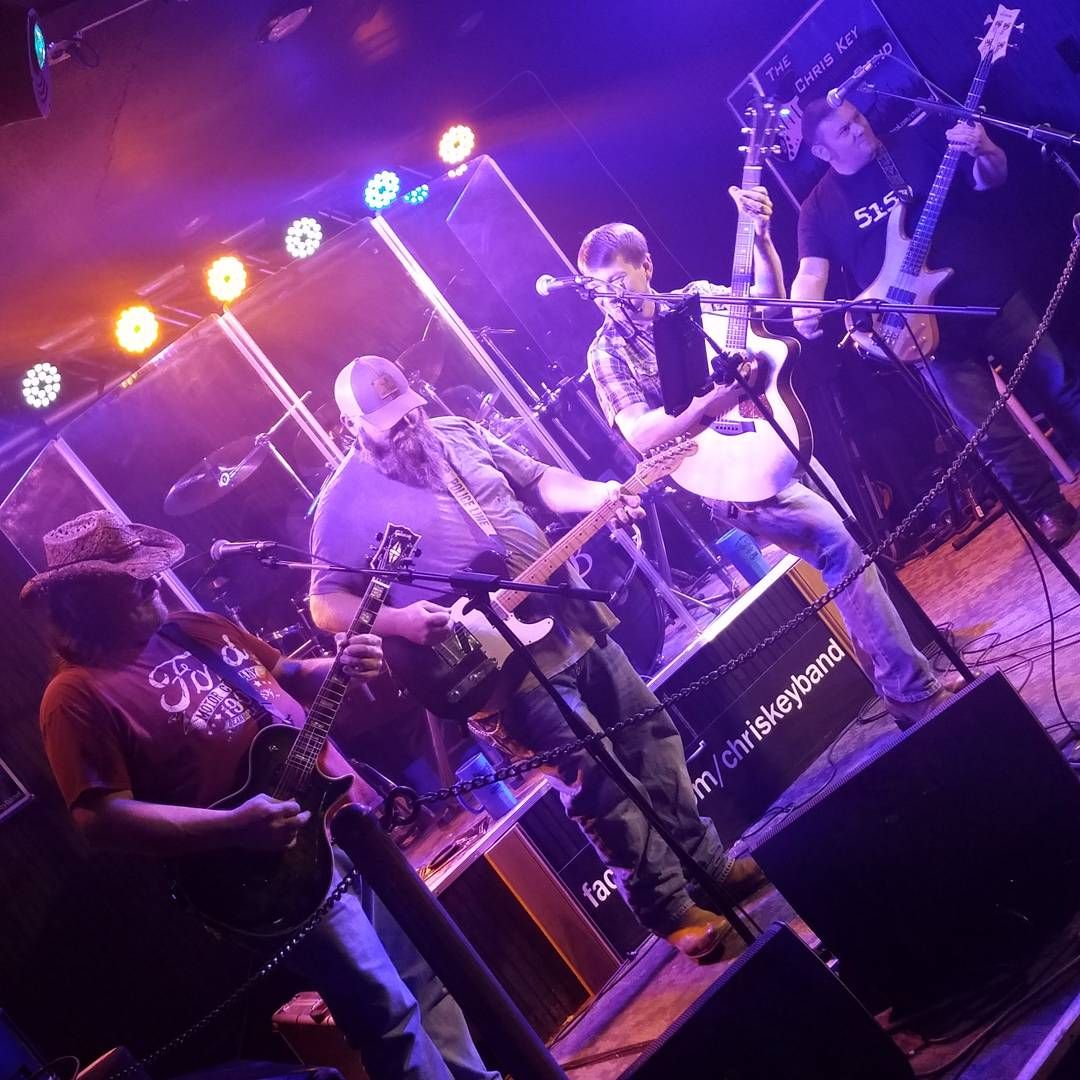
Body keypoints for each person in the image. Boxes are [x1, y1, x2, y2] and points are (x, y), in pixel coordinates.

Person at [308, 355, 766, 961]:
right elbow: (325, 603)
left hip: (567, 619)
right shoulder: (341, 503)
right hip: (496, 668)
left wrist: (602, 495)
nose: (409, 424)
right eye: (391, 422)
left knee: (652, 737)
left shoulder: (455, 433)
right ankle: (669, 907)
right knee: (597, 779)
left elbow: (540, 480)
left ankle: (709, 867)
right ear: (352, 427)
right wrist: (400, 621)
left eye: (409, 410)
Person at [24, 510, 497, 1080]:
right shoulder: (74, 696)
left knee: (426, 979)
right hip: (271, 868)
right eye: (132, 578)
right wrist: (236, 825)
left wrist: (341, 663)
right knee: (385, 1010)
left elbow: (289, 674)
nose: (151, 580)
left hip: (344, 817)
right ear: (87, 604)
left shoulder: (194, 628)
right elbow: (100, 818)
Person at [579, 186, 950, 726]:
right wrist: (714, 401)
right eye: (597, 290)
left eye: (618, 281)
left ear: (646, 267)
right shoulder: (605, 352)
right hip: (723, 473)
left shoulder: (697, 298)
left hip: (775, 435)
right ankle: (912, 692)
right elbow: (640, 431)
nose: (611, 298)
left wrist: (762, 240)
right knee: (837, 545)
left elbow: (770, 303)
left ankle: (898, 678)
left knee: (846, 550)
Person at [790, 98, 1079, 546]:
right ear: (822, 152)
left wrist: (986, 149)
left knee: (1059, 381)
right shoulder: (818, 207)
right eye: (844, 131)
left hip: (988, 292)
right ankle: (1047, 508)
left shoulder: (914, 142)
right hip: (923, 332)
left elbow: (991, 178)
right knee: (989, 431)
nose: (860, 129)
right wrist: (803, 307)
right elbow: (811, 272)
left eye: (857, 118)